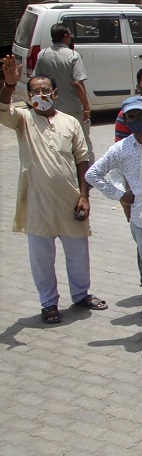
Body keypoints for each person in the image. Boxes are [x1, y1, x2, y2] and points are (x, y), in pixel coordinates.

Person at [1, 57, 105, 324]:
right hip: (37, 202)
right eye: (34, 91)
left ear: (55, 94)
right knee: (41, 259)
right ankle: (48, 304)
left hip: (70, 200)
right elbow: (2, 109)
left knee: (78, 254)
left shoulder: (70, 122)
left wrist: (85, 196)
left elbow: (83, 159)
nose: (40, 95)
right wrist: (9, 85)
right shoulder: (23, 119)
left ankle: (81, 295)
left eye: (44, 90)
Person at [86, 95, 142, 328]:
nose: (136, 120)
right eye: (131, 117)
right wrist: (121, 195)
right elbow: (92, 174)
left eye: (140, 114)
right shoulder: (121, 149)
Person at [33, 23, 92, 159]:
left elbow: (37, 80)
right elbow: (78, 83)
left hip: (50, 108)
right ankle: (86, 174)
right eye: (70, 34)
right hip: (72, 109)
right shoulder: (73, 56)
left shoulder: (43, 55)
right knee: (82, 143)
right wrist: (86, 108)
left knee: (56, 141)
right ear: (65, 36)